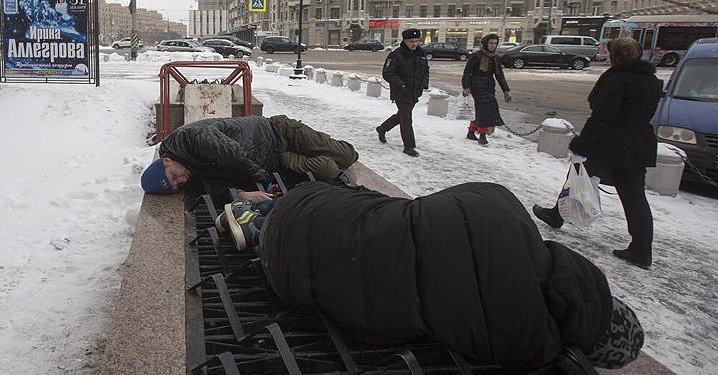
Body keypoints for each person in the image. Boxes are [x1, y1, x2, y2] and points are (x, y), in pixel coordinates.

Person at [215, 181, 644, 372]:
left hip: (318, 208)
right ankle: (259, 229)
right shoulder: (528, 342)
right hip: (293, 274)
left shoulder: (501, 204)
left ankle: (262, 213)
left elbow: (439, 209)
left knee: (369, 212)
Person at [532, 37, 662, 269]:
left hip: (609, 144)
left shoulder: (616, 79)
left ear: (617, 56)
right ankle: (642, 249)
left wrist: (582, 145)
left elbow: (602, 117)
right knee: (635, 198)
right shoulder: (652, 80)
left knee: (577, 176)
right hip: (637, 144)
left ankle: (556, 215)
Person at [140, 115, 358, 194]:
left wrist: (262, 179)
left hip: (278, 131)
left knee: (348, 156)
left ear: (166, 160)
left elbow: (230, 154)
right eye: (176, 186)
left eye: (173, 176)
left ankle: (328, 147)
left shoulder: (188, 138)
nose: (180, 180)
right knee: (328, 171)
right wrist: (242, 194)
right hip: (277, 161)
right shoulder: (190, 172)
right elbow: (217, 188)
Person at [376, 28, 429, 157]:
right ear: (405, 41)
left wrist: (423, 85)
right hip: (401, 92)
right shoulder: (396, 55)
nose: (414, 44)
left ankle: (382, 128)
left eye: (416, 41)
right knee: (406, 118)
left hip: (415, 92)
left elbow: (426, 71)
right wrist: (401, 85)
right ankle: (409, 146)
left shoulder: (421, 54)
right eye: (411, 41)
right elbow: (388, 73)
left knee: (402, 115)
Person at [461, 34, 511, 145]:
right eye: (491, 43)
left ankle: (471, 132)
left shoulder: (495, 58)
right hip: (476, 86)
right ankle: (482, 135)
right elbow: (467, 73)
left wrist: (506, 90)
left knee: (481, 110)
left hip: (489, 86)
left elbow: (499, 75)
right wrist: (466, 87)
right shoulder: (476, 56)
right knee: (484, 111)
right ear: (485, 43)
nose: (493, 46)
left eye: (495, 43)